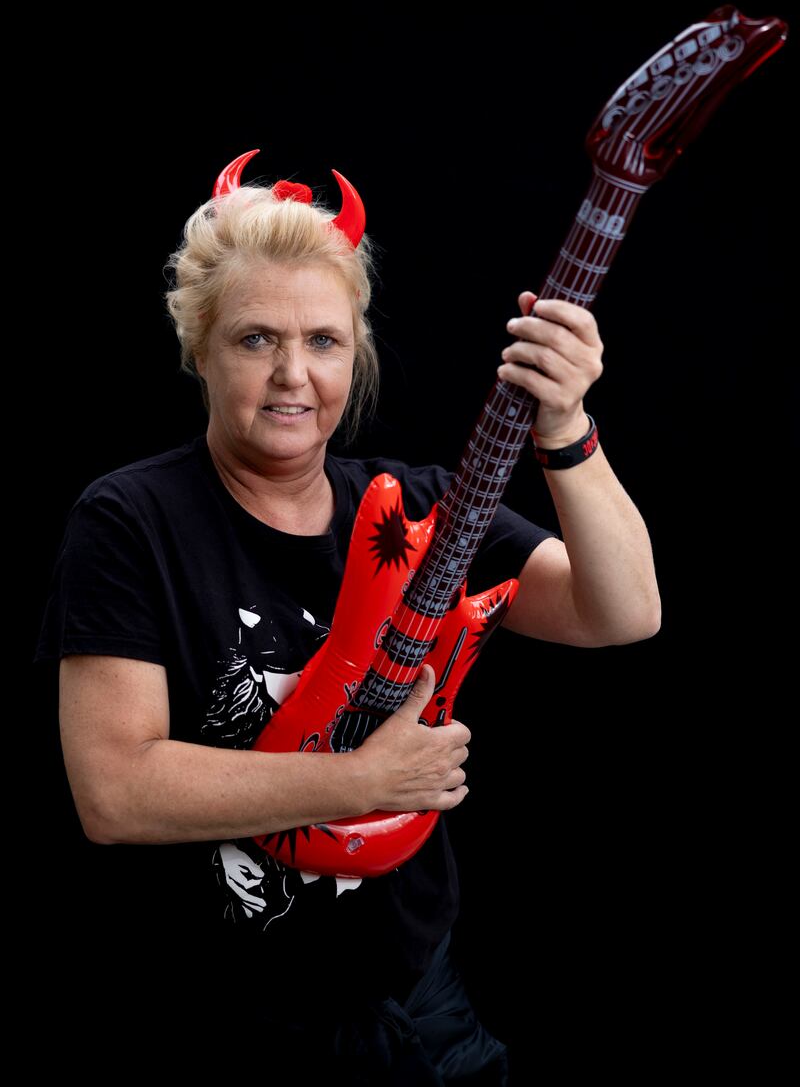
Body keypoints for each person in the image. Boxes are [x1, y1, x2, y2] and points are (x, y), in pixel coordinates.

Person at [34, 151, 660, 1082]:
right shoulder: (130, 521)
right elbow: (116, 794)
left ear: (355, 351)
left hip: (424, 1011)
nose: (293, 375)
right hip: (223, 1028)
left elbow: (622, 612)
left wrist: (566, 427)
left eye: (323, 341)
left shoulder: (422, 509)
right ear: (198, 348)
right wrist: (364, 777)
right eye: (255, 340)